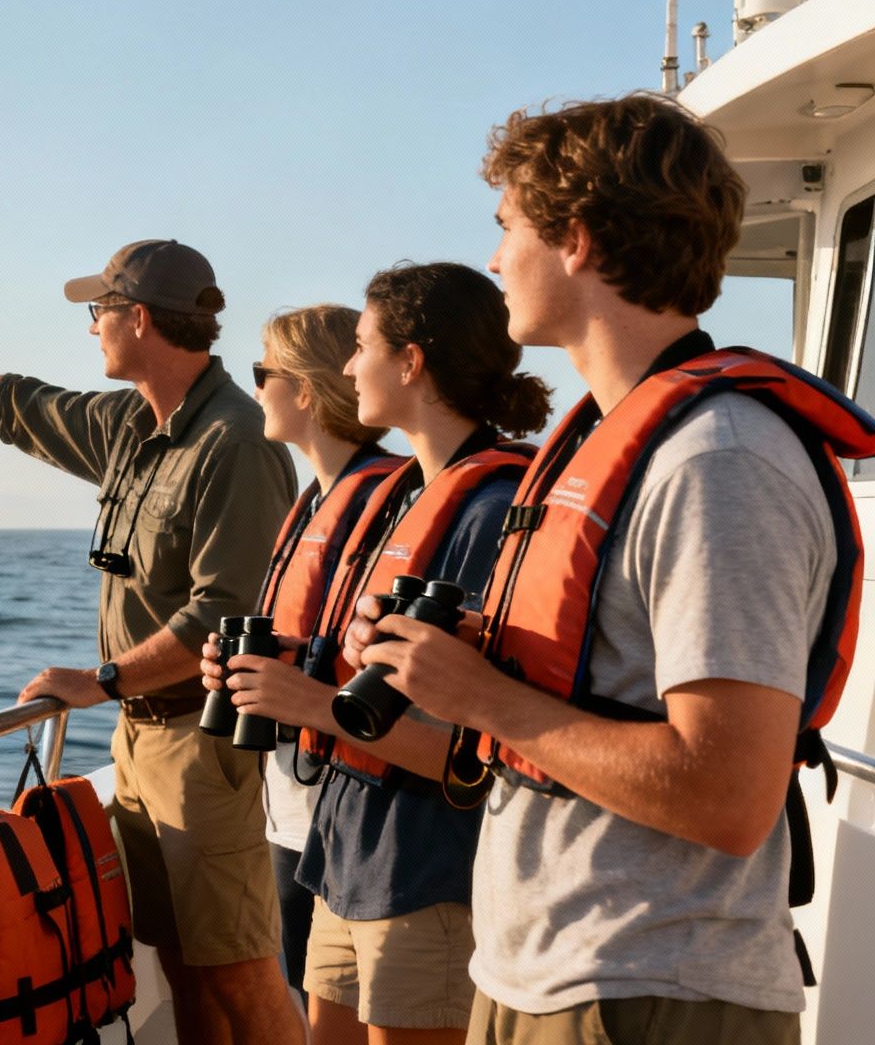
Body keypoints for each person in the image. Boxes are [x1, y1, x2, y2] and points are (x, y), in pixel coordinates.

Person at [351, 94, 875, 1045]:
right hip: (544, 973)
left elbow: (727, 793)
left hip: (648, 989)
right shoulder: (614, 441)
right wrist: (472, 663)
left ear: (577, 240)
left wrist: (486, 699)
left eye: (506, 228)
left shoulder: (719, 462)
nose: (496, 259)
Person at [0, 238, 302, 1044]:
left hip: (206, 746)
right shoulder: (131, 424)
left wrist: (103, 678)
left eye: (100, 313)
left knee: (237, 968)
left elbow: (228, 614)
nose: (91, 330)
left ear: (140, 320)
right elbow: (16, 407)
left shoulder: (239, 440)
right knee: (185, 961)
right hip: (140, 743)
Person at [205, 263, 550, 1045]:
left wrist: (308, 705)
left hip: (422, 872)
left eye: (361, 347)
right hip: (345, 858)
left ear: (411, 362)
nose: (350, 367)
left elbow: (483, 751)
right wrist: (283, 669)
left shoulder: (488, 513)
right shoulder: (406, 499)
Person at [242, 305, 399, 1005]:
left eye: (262, 373)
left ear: (304, 390)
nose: (255, 391)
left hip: (351, 810)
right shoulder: (312, 502)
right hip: (294, 800)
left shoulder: (397, 502)